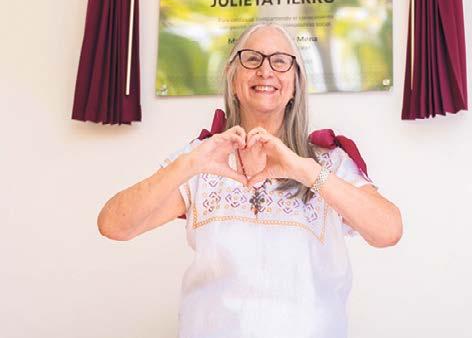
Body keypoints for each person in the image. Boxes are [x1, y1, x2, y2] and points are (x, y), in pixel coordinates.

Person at [97, 22, 403, 338]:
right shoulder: (205, 158)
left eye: (280, 61)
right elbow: (114, 225)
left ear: (295, 84)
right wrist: (187, 164)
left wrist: (307, 171)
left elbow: (388, 231)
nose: (265, 71)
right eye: (252, 59)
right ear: (233, 79)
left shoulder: (328, 162)